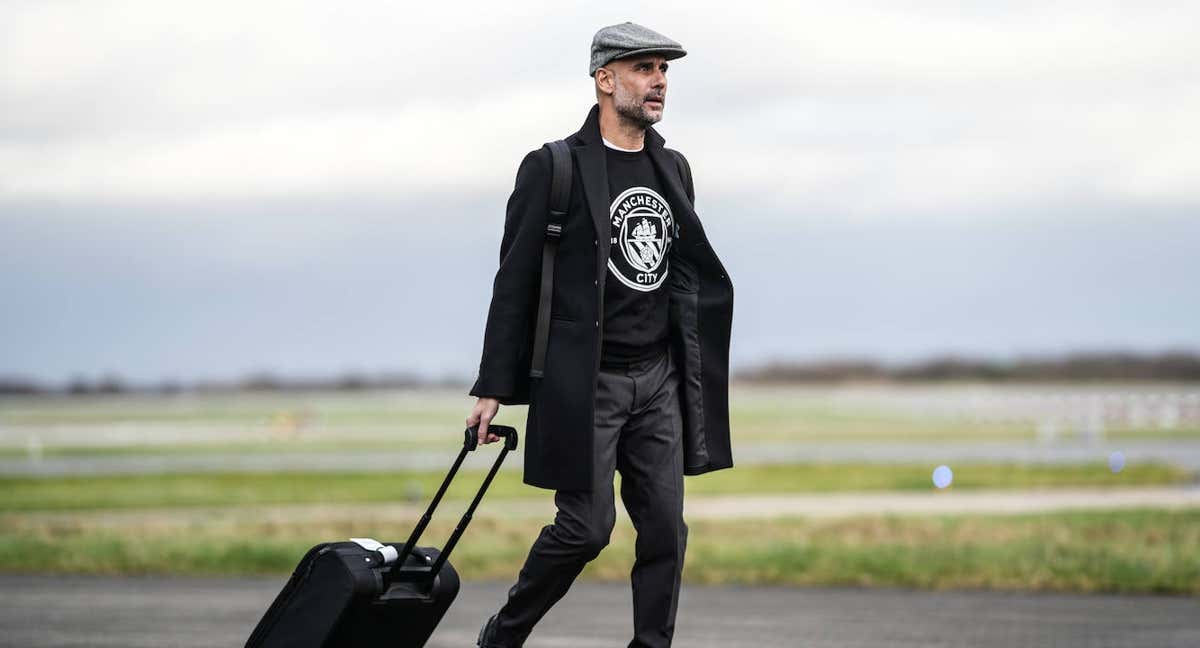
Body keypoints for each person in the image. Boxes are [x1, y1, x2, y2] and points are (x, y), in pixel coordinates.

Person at [466, 21, 735, 648]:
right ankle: (503, 635)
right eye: (644, 68)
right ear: (604, 79)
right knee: (586, 529)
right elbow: (515, 283)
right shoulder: (553, 167)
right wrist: (492, 387)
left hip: (658, 379)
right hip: (588, 382)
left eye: (664, 70)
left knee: (667, 532)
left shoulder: (673, 167)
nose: (659, 81)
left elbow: (680, 272)